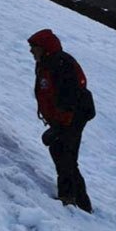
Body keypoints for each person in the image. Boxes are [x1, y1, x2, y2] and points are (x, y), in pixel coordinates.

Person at [28, 28, 95, 213]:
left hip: (72, 118)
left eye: (34, 47)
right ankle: (79, 201)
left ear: (44, 47)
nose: (31, 51)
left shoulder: (60, 64)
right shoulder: (47, 63)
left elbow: (70, 97)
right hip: (65, 119)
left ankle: (71, 199)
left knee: (65, 155)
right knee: (63, 154)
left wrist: (60, 125)